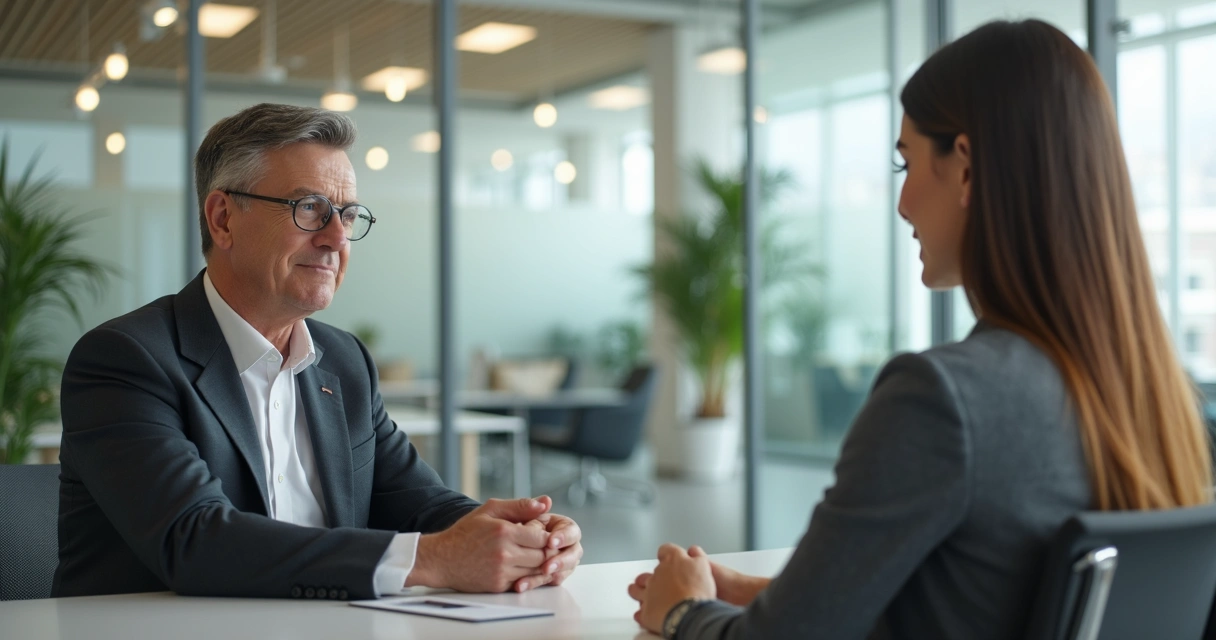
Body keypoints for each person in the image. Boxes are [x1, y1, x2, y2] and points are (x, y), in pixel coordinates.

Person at [628, 19, 1214, 640]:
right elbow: (997, 597)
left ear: (965, 168)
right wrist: (769, 596)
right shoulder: (1161, 397)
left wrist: (685, 610)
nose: (904, 203)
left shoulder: (943, 400)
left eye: (906, 163)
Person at [53, 103, 583, 600]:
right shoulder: (126, 359)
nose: (336, 238)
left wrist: (517, 535)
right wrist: (435, 559)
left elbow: (418, 502)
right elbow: (193, 539)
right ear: (223, 219)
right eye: (310, 208)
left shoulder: (344, 361)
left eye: (348, 215)